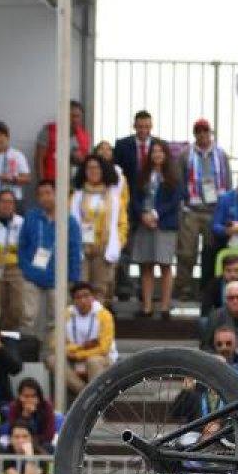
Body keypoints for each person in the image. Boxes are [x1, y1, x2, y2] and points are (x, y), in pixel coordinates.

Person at [176, 118, 234, 300]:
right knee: (186, 252)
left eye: (205, 131)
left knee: (210, 252)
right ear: (195, 134)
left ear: (211, 133)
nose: (202, 135)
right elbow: (179, 180)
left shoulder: (221, 155)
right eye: (198, 132)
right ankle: (183, 288)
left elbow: (228, 181)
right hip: (192, 209)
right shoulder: (186, 155)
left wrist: (227, 210)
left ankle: (206, 291)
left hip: (214, 210)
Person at [17, 180, 82, 338]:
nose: (45, 198)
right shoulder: (31, 217)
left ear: (56, 194)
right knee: (28, 315)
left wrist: (72, 278)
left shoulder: (69, 222)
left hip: (59, 277)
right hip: (32, 275)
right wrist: (26, 269)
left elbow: (74, 251)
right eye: (40, 195)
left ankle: (53, 353)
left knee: (58, 318)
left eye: (48, 193)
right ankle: (28, 351)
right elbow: (22, 245)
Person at [113, 110, 164, 301]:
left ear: (151, 127)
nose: (143, 130)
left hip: (151, 206)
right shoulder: (122, 145)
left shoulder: (159, 145)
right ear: (134, 126)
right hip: (128, 203)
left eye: (146, 127)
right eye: (140, 126)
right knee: (126, 248)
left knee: (150, 252)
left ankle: (147, 293)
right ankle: (124, 287)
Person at [131, 142, 186, 318]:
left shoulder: (173, 175)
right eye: (154, 151)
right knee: (146, 265)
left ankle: (164, 306)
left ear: (166, 154)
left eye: (160, 151)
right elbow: (135, 198)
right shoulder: (142, 174)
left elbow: (175, 199)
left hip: (165, 224)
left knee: (165, 265)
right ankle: (147, 307)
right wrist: (143, 215)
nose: (157, 154)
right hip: (144, 223)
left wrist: (156, 214)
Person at [71, 155, 127, 305]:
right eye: (89, 168)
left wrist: (118, 243)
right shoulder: (77, 195)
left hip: (103, 248)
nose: (93, 171)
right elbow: (70, 221)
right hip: (81, 248)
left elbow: (122, 224)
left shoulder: (114, 196)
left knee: (100, 290)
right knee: (80, 287)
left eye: (96, 168)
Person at [52, 282, 117, 398]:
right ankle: (86, 395)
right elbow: (55, 343)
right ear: (73, 300)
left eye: (86, 296)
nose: (83, 300)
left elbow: (104, 349)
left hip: (102, 358)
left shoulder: (104, 315)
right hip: (73, 358)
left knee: (93, 361)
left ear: (93, 297)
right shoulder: (66, 315)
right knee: (52, 360)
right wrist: (82, 347)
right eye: (78, 297)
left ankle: (91, 400)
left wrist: (78, 354)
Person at [0, 189, 25, 330]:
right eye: (3, 202)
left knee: (17, 308)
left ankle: (9, 336)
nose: (7, 205)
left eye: (10, 202)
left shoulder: (21, 223)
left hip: (15, 268)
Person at [199, 281, 238, 352]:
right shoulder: (215, 316)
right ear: (226, 300)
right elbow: (206, 346)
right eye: (231, 298)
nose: (235, 301)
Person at [35, 100, 89, 182]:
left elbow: (86, 161)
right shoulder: (48, 131)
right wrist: (43, 183)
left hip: (75, 182)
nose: (75, 119)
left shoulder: (85, 136)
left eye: (78, 116)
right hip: (52, 182)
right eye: (71, 116)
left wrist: (79, 158)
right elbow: (39, 159)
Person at [3, 379, 57, 453]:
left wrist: (30, 441)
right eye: (26, 396)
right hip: (18, 442)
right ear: (20, 397)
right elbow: (12, 430)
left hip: (40, 443)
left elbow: (49, 434)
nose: (29, 400)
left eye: (33, 396)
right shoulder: (14, 406)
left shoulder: (47, 407)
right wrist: (25, 415)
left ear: (38, 398)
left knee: (48, 447)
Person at [0, 121, 31, 202]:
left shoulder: (17, 155)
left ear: (7, 136)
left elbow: (27, 178)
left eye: (1, 135)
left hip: (12, 199)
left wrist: (12, 179)